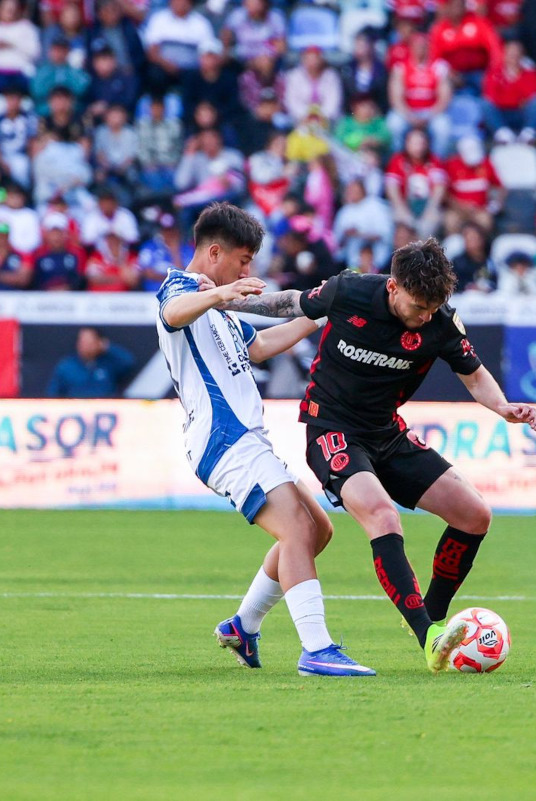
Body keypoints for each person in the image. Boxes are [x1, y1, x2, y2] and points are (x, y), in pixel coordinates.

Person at [220, 237, 536, 673]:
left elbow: (474, 374)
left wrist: (502, 407)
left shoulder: (441, 321)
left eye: (432, 308)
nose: (424, 317)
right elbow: (290, 303)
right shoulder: (349, 291)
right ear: (393, 286)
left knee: (474, 515)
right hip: (332, 430)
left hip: (387, 433)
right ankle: (428, 637)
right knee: (382, 516)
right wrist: (224, 299)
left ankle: (430, 618)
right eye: (418, 306)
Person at [155, 202, 374, 677]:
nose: (247, 272)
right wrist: (222, 293)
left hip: (248, 439)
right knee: (295, 529)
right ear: (215, 252)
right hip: (224, 439)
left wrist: (322, 313)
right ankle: (316, 649)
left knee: (317, 530)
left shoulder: (223, 310)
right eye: (243, 261)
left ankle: (243, 625)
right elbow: (171, 313)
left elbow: (262, 346)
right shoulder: (181, 288)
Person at [46, 327, 135, 398]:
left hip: (104, 409)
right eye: (82, 342)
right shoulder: (66, 366)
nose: (85, 346)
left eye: (89, 342)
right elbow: (53, 393)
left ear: (98, 343)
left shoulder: (108, 364)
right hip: (76, 409)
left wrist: (108, 347)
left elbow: (128, 362)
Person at [31, 212, 86, 291]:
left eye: (59, 233)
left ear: (66, 234)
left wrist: (67, 288)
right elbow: (34, 280)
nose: (56, 237)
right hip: (43, 295)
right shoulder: (38, 254)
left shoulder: (77, 253)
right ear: (46, 235)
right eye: (53, 233)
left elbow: (82, 278)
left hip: (71, 295)